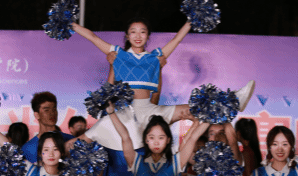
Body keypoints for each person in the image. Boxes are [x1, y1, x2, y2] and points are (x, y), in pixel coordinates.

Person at [71, 18, 254, 151]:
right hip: (126, 113)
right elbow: (92, 37)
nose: (138, 35)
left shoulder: (154, 57)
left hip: (150, 110)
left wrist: (190, 21)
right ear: (127, 35)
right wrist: (71, 24)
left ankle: (234, 100)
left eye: (142, 32)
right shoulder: (119, 54)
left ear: (148, 36)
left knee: (195, 110)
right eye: (133, 31)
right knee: (80, 141)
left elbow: (176, 40)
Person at [105, 100, 209, 176]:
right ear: (146, 139)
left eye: (161, 138)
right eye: (151, 137)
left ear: (168, 140)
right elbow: (125, 136)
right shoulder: (136, 161)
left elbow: (193, 138)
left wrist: (211, 115)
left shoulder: (176, 162)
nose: (156, 142)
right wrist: (111, 113)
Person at [21, 92, 73, 163]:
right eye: (46, 110)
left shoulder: (70, 140)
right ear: (37, 115)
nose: (52, 113)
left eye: (54, 109)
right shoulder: (27, 148)